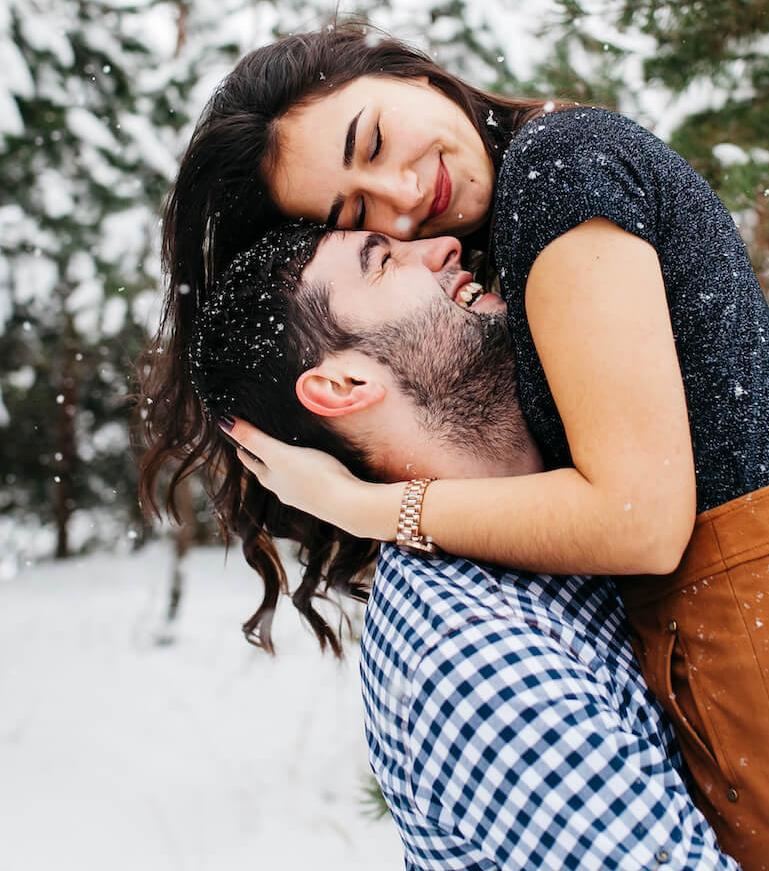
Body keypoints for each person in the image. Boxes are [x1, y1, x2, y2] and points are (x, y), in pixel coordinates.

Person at [139, 21, 769, 870]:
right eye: (360, 219)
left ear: (410, 72)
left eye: (374, 142)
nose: (405, 197)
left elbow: (638, 520)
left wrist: (365, 505)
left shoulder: (557, 170)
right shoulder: (531, 200)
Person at [186, 220, 740, 871]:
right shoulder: (470, 655)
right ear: (343, 385)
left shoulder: (593, 492)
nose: (444, 247)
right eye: (382, 262)